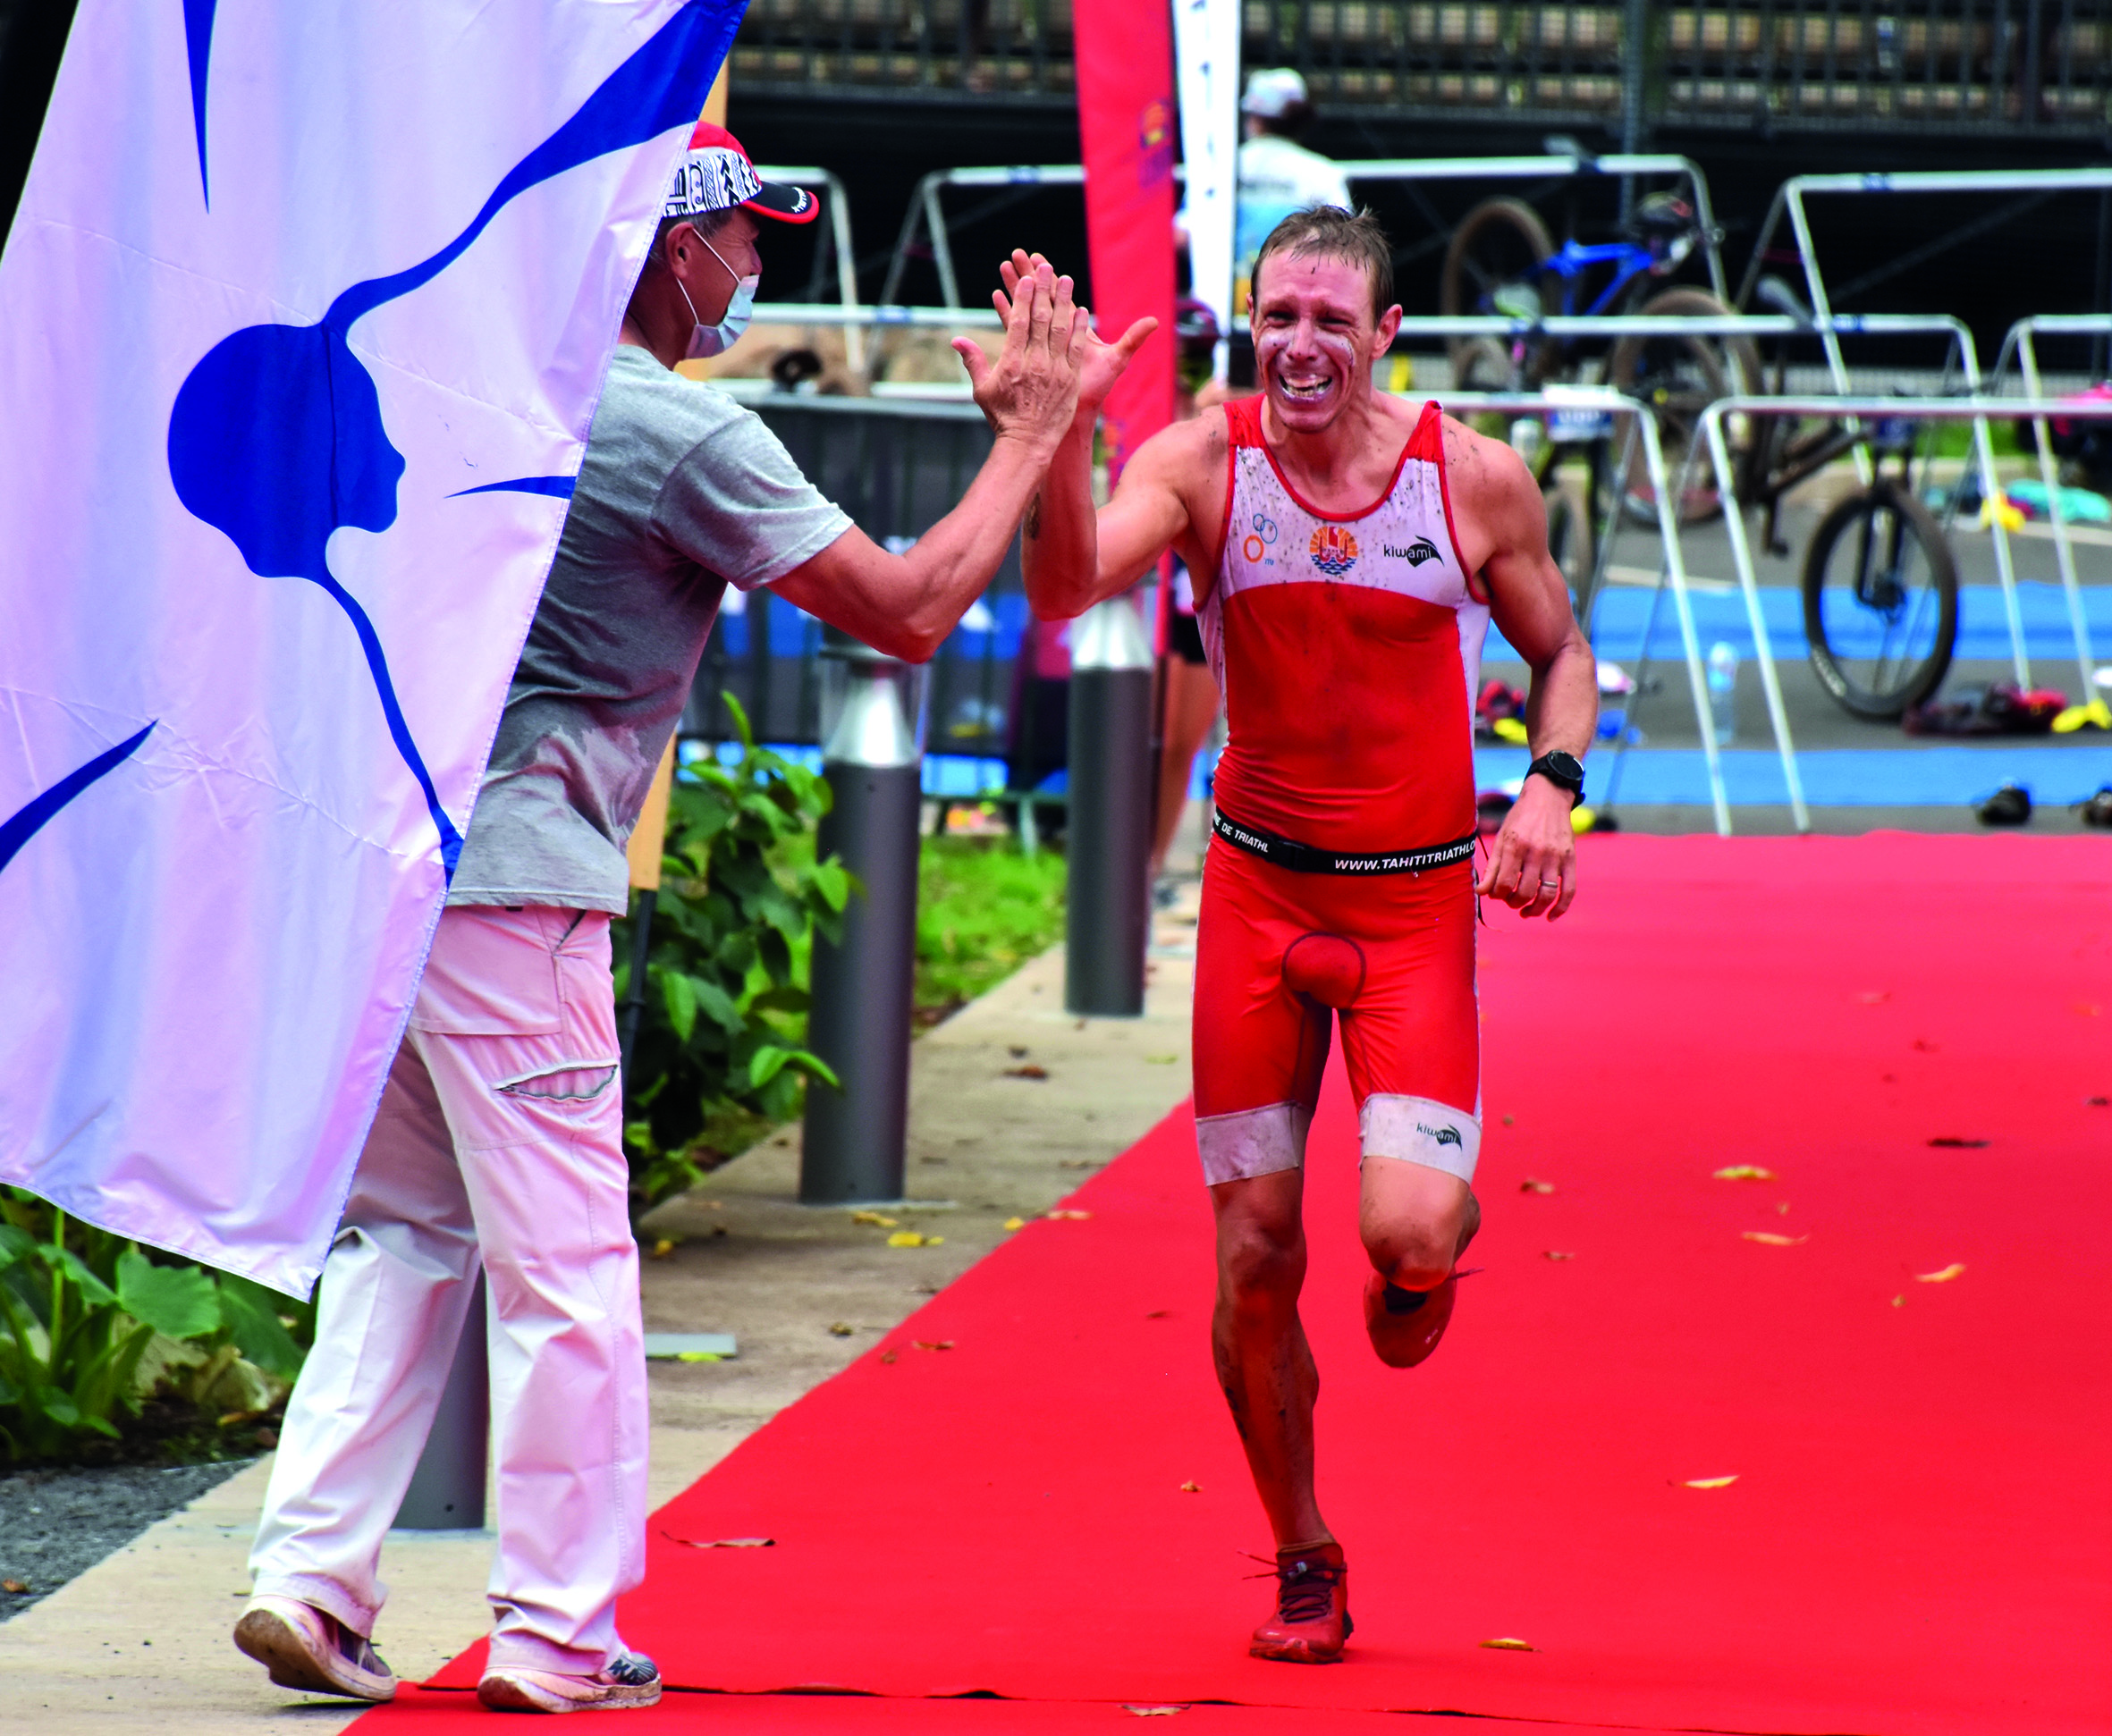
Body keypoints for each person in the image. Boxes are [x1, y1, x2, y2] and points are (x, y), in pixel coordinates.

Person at [234, 122, 1091, 1715]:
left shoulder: (464, 378)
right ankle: (558, 1633)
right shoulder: (676, 429)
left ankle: (309, 1576)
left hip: (388, 875)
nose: (753, 267)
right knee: (570, 1267)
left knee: (407, 1233)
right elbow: (906, 613)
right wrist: (1032, 435)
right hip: (521, 890)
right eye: (742, 237)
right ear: (663, 243)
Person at [1015, 206, 1595, 1665]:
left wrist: (1548, 786)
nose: (1300, 345)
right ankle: (1300, 1551)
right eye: (1278, 317)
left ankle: (1416, 1267)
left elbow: (1561, 655)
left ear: (1386, 335)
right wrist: (1051, 443)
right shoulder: (1203, 465)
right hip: (1257, 903)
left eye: (1332, 320)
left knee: (1399, 1241)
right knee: (1253, 1255)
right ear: (1246, 324)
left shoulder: (1470, 480)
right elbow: (1064, 586)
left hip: (1410, 912)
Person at [1152, 298, 1229, 884]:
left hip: (1199, 598)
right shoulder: (1142, 409)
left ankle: (1148, 872)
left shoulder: (1222, 410)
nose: (1187, 366)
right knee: (1145, 744)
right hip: (1149, 592)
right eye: (1180, 353)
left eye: (1197, 354)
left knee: (1180, 749)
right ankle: (1129, 869)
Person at [1232, 70, 1352, 327]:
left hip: (1226, 298)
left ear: (1254, 118)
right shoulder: (1323, 172)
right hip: (1297, 304)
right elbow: (1347, 243)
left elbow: (1183, 235)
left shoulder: (1223, 169)